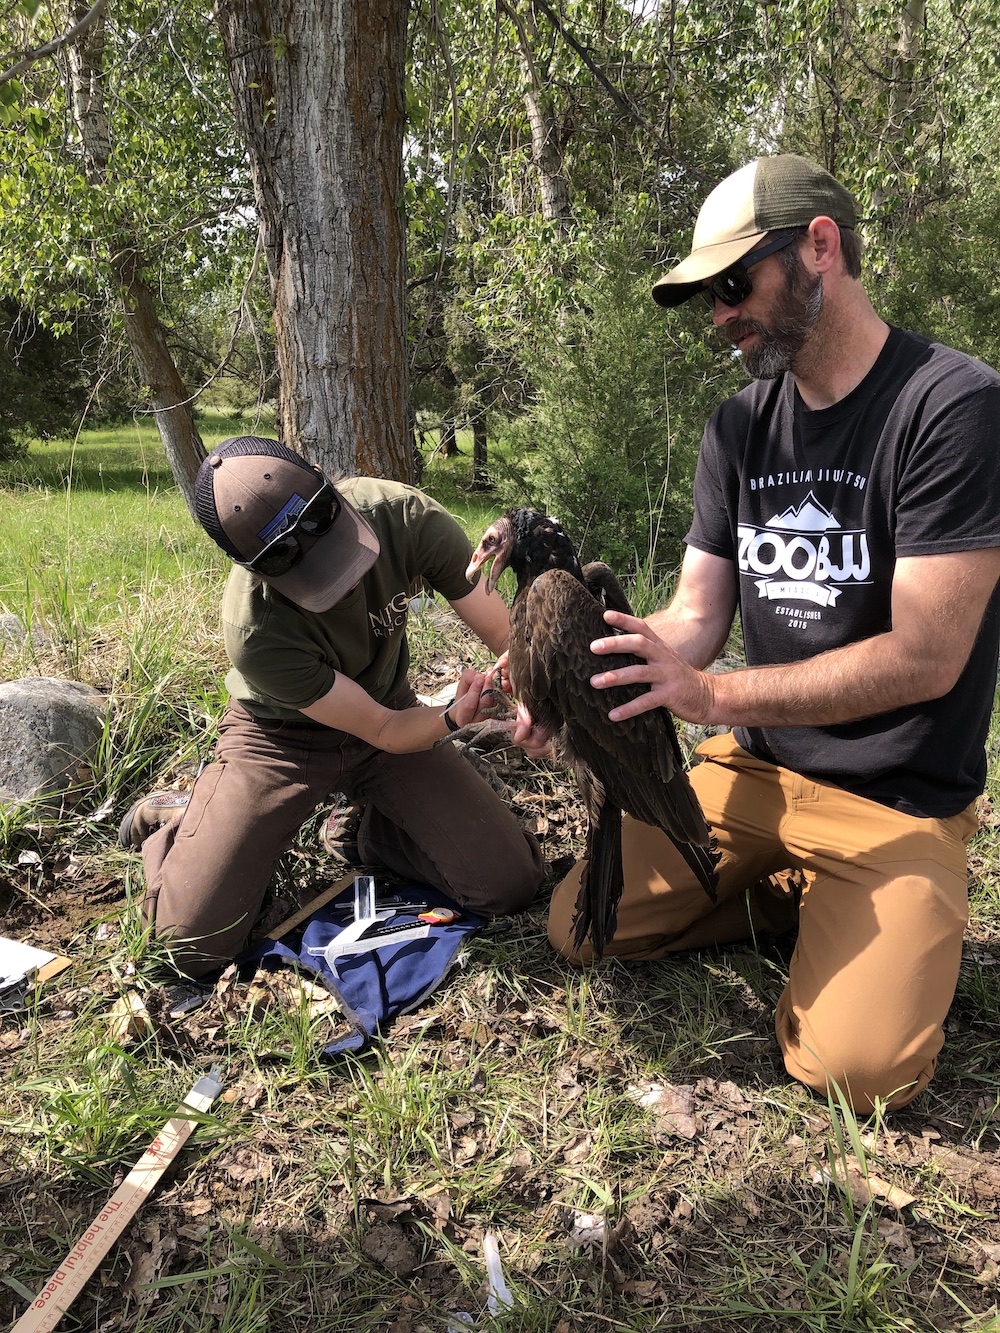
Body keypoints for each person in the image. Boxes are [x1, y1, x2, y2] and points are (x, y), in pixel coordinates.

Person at [540, 154, 1000, 1112]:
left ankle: (840, 904)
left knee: (852, 1072)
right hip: (753, 775)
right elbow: (696, 619)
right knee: (578, 925)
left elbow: (928, 656)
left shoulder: (952, 408)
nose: (719, 314)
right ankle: (788, 889)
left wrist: (713, 696)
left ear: (820, 248)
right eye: (709, 295)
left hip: (899, 801)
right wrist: (579, 684)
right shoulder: (740, 428)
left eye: (735, 284)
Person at [121, 436, 543, 978]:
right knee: (189, 946)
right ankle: (180, 822)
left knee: (507, 884)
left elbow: (505, 637)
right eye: (294, 564)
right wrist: (448, 719)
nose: (339, 580)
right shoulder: (254, 630)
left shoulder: (403, 517)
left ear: (324, 474)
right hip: (278, 740)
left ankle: (358, 828)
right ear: (247, 565)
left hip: (386, 709)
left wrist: (532, 703)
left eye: (329, 530)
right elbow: (387, 730)